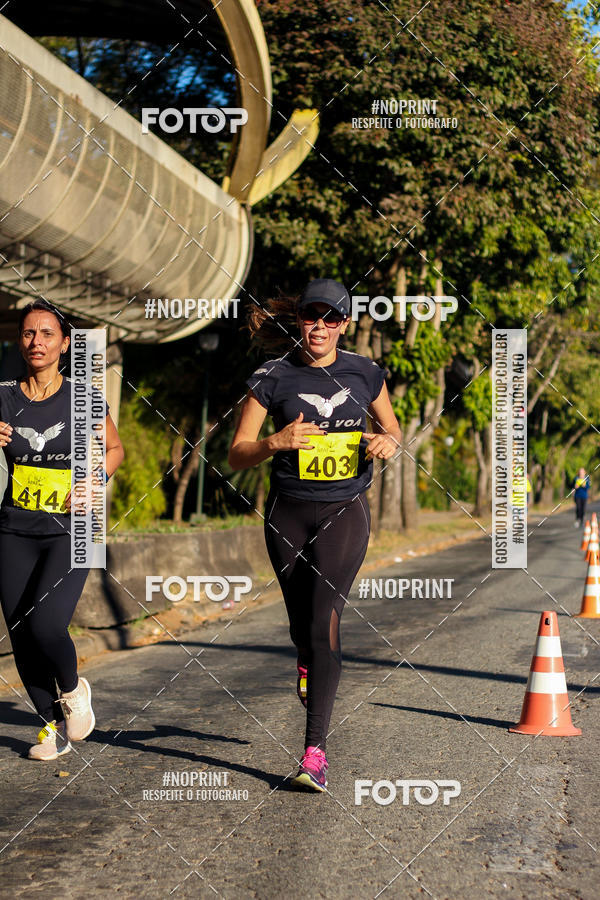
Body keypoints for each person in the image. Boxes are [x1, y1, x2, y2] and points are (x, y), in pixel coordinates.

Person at [229, 279, 401, 791]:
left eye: (331, 318)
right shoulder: (272, 376)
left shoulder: (365, 372)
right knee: (301, 626)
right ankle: (306, 658)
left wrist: (387, 442)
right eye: (311, 316)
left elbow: (392, 429)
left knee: (325, 619)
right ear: (299, 320)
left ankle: (315, 752)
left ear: (344, 324)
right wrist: (275, 442)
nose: (320, 327)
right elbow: (237, 452)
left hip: (345, 509)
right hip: (288, 513)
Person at [0, 300, 124, 760]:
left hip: (75, 527)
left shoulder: (84, 397)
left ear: (66, 344)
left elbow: (114, 449)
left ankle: (72, 690)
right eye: (29, 333)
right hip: (14, 527)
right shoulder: (3, 396)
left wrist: (95, 479)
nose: (37, 342)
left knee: (47, 623)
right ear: (20, 341)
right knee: (20, 631)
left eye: (47, 333)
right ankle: (48, 728)